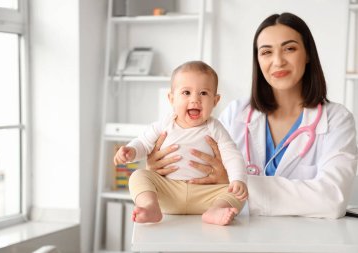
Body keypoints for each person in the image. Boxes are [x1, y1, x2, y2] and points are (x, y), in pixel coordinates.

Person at [145, 12, 358, 218]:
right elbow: (194, 175)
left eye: (289, 49)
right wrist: (161, 170)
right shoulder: (236, 113)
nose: (278, 61)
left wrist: (235, 181)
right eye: (266, 52)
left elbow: (332, 199)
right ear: (258, 60)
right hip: (237, 237)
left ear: (308, 54)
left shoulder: (336, 120)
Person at [114, 61, 248, 225]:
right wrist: (131, 151)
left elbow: (232, 154)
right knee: (138, 176)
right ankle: (150, 206)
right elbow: (143, 142)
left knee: (238, 193)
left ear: (215, 100)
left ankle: (215, 211)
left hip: (205, 194)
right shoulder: (165, 123)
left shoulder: (215, 127)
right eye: (186, 92)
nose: (195, 100)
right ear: (171, 98)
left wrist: (237, 179)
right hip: (169, 191)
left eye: (204, 93)